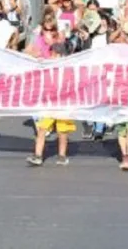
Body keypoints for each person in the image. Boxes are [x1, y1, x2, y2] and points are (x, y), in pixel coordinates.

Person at [27, 13, 74, 167]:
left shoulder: (65, 65)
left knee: (62, 131)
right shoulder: (44, 59)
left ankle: (62, 155)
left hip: (62, 100)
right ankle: (38, 155)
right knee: (42, 128)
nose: (54, 56)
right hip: (48, 99)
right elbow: (28, 53)